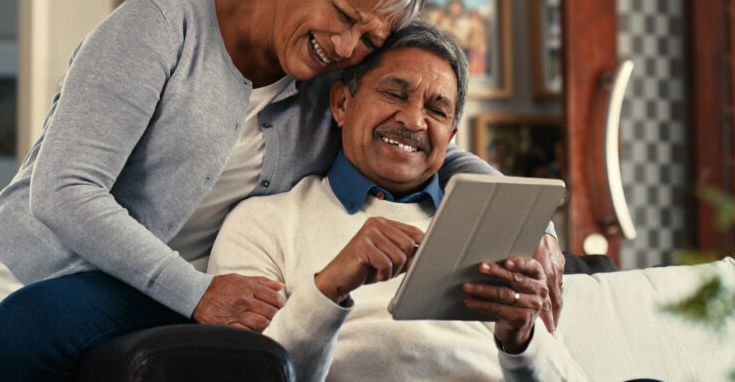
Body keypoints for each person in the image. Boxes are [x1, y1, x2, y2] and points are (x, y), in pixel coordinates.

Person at [0, 0, 547, 381]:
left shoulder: (329, 78)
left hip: (151, 293)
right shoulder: (160, 27)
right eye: (345, 16)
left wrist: (531, 229)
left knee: (31, 332)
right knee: (16, 330)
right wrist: (199, 293)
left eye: (371, 40)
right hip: (19, 278)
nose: (348, 47)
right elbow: (66, 190)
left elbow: (420, 138)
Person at [209, 23, 583, 381]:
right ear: (341, 103)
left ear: (450, 135)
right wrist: (329, 289)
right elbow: (254, 374)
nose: (414, 121)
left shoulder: (491, 230)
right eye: (394, 93)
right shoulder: (263, 222)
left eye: (437, 110)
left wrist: (522, 342)